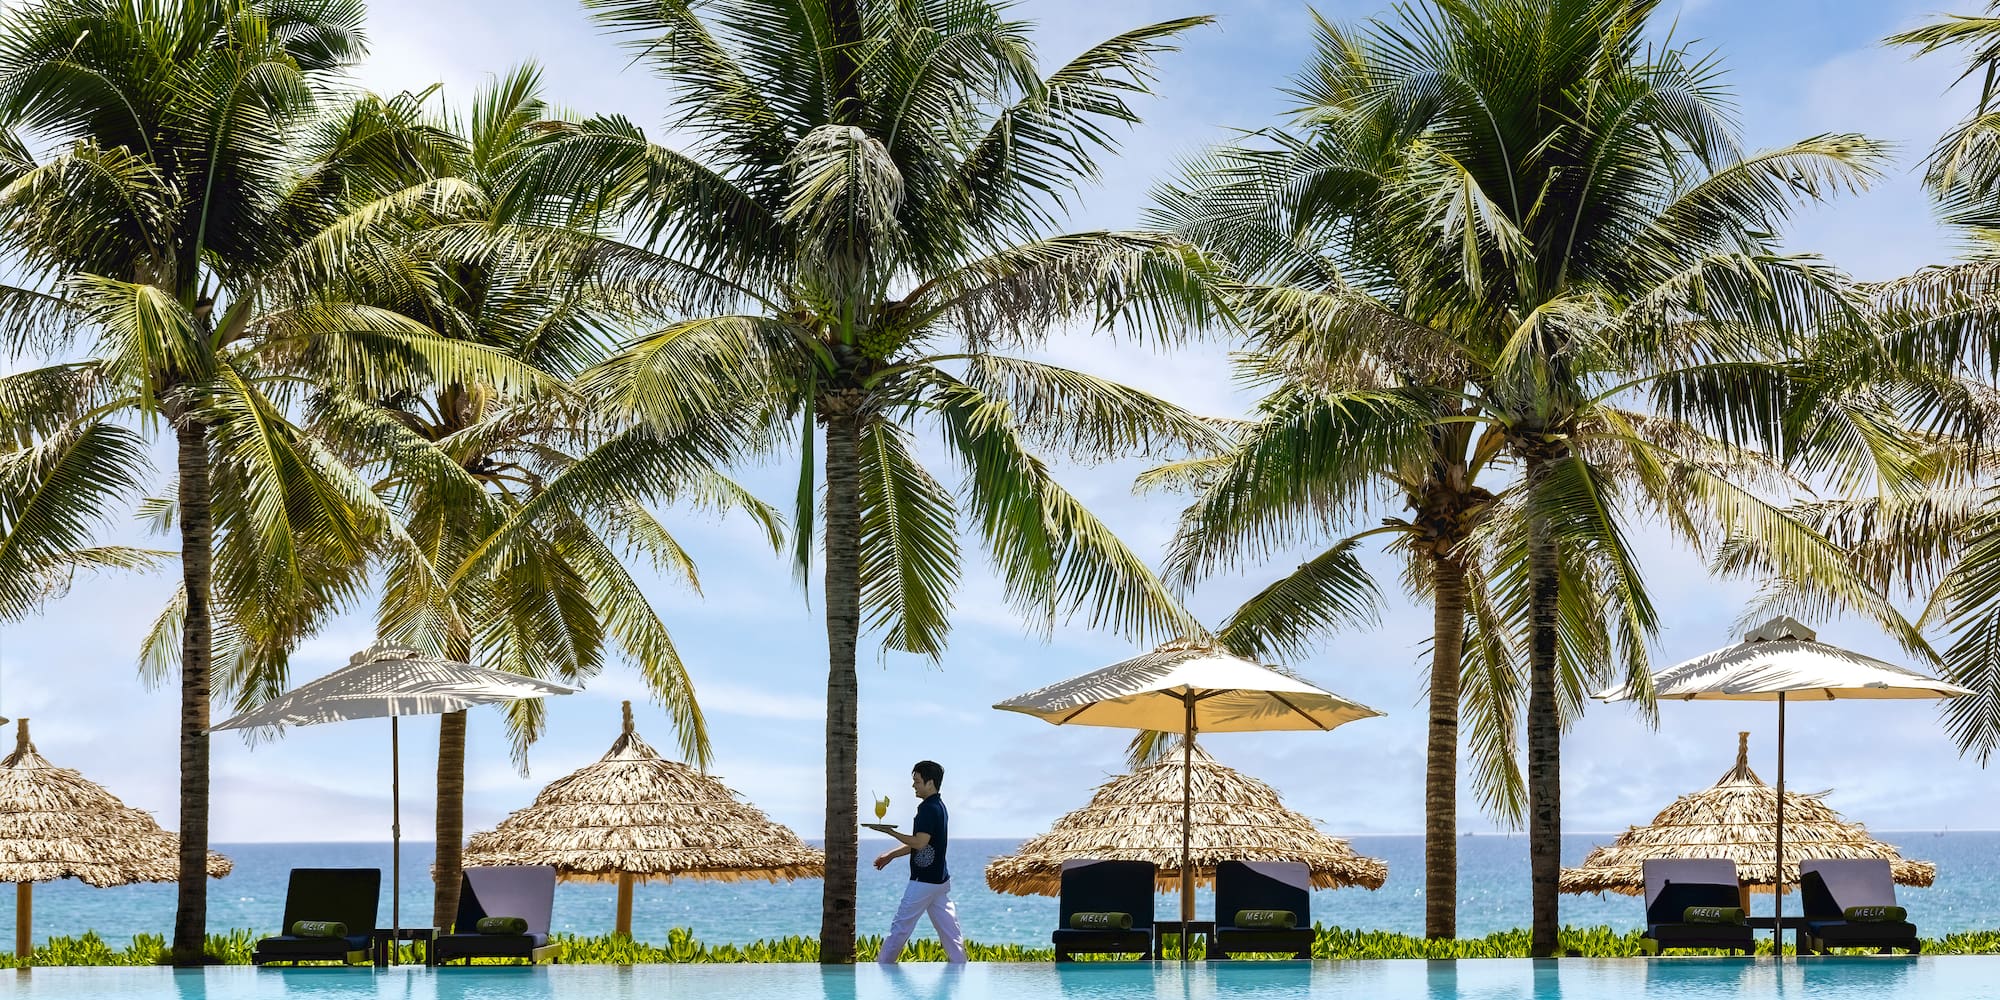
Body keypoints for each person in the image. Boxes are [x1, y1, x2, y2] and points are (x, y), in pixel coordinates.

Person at [872, 760, 966, 963]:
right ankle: (960, 969)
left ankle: (883, 968)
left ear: (930, 783)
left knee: (900, 928)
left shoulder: (928, 809)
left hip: (923, 882)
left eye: (917, 781)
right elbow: (920, 843)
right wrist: (890, 855)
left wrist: (891, 832)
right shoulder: (939, 807)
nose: (913, 785)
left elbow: (920, 842)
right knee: (951, 934)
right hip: (939, 881)